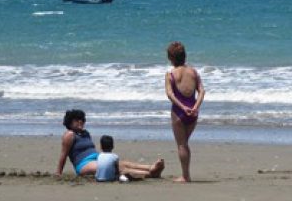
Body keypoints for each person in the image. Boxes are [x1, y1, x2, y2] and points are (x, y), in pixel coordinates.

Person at [56, 109, 164, 179]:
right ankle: (150, 174)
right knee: (116, 167)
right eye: (77, 120)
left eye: (82, 120)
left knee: (123, 163)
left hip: (97, 158)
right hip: (83, 164)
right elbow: (63, 155)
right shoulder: (69, 135)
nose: (80, 122)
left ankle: (150, 168)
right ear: (70, 122)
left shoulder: (85, 133)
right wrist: (58, 172)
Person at [165, 41, 205, 183]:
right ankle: (186, 174)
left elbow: (170, 94)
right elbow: (202, 91)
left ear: (171, 57)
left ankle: (185, 175)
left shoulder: (170, 74)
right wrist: (195, 107)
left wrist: (182, 107)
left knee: (182, 145)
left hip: (179, 112)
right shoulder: (193, 72)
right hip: (193, 112)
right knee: (185, 143)